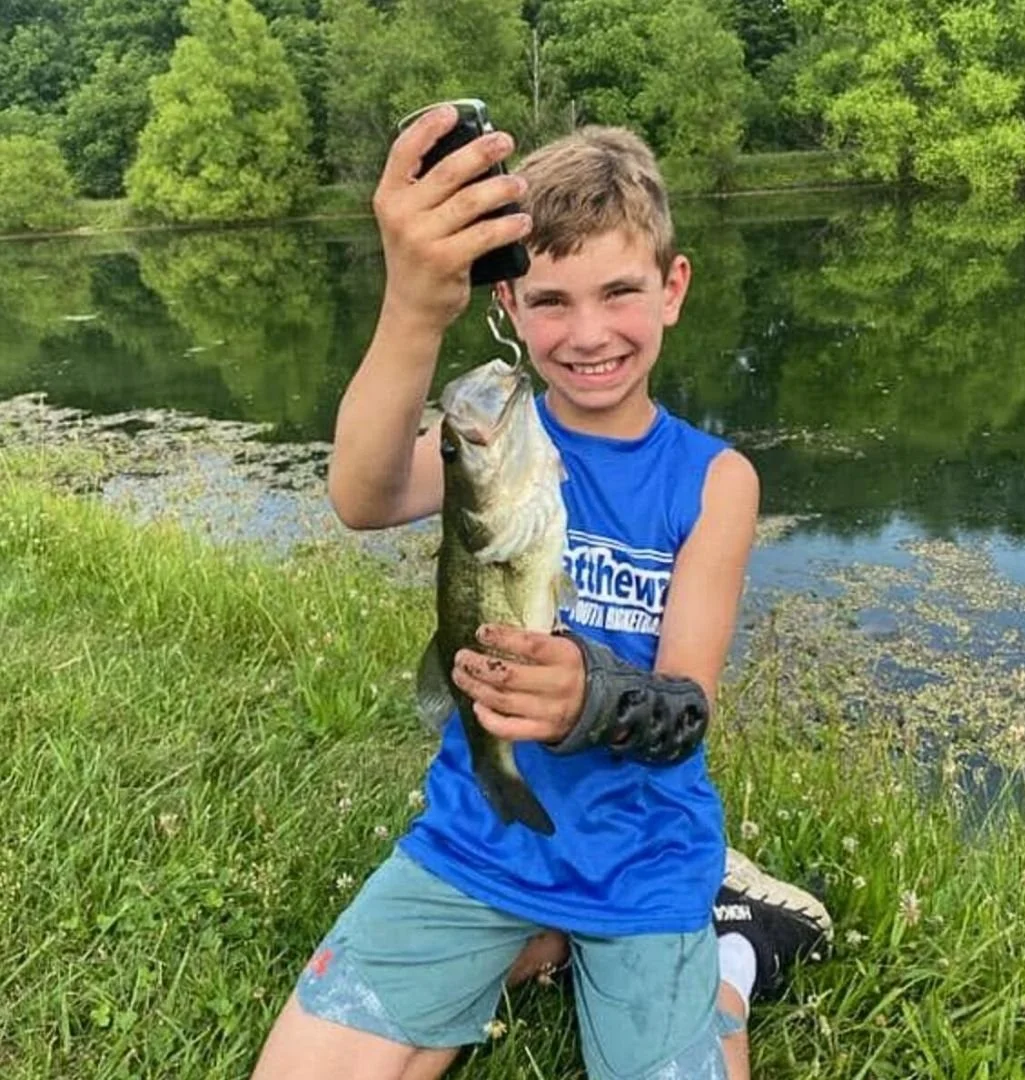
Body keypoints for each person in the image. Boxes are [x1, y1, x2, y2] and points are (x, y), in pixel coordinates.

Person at [252, 108, 831, 1080]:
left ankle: (732, 952)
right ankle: (539, 939)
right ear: (509, 307)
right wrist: (413, 308)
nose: (589, 332)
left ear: (672, 288)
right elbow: (362, 495)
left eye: (620, 291)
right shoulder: (490, 441)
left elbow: (687, 708)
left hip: (645, 862)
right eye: (550, 300)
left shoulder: (714, 480)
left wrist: (589, 697)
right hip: (478, 841)